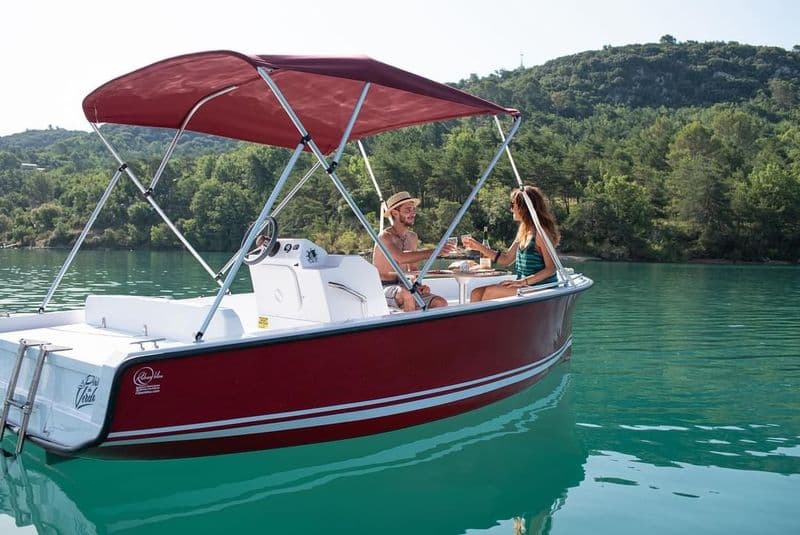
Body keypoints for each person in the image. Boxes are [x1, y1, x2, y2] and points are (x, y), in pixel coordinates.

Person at [463, 185, 560, 302]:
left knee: (488, 293)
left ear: (524, 207)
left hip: (540, 287)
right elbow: (506, 259)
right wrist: (479, 247)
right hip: (524, 286)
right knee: (476, 293)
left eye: (512, 205)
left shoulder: (541, 233)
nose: (511, 209)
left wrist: (521, 282)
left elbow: (551, 269)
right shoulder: (523, 230)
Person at [372, 191, 456, 311]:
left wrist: (418, 285)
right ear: (395, 213)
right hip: (383, 288)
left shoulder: (412, 237)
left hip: (405, 286)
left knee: (440, 302)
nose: (412, 213)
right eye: (407, 210)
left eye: (413, 210)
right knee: (407, 294)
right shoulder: (384, 237)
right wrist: (435, 251)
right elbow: (401, 257)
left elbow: (413, 269)